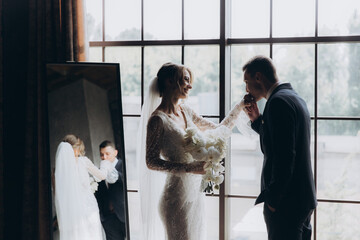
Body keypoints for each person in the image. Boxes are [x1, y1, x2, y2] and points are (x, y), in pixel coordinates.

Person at [138, 62, 250, 240]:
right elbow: (151, 162)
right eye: (185, 80)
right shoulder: (157, 121)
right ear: (169, 81)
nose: (190, 85)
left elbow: (220, 129)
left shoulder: (186, 111)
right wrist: (189, 168)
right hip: (174, 199)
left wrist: (240, 106)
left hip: (195, 195)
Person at [242, 55, 317, 240]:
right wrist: (258, 121)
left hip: (286, 203)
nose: (246, 89)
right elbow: (282, 141)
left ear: (258, 77)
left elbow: (285, 157)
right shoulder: (293, 97)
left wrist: (273, 201)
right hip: (303, 198)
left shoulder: (278, 103)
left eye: (247, 81)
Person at [54, 134, 118, 240]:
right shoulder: (83, 161)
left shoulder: (61, 170)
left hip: (72, 209)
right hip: (88, 207)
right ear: (76, 148)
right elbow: (101, 175)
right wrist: (105, 164)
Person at [95, 140, 126, 240]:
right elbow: (99, 195)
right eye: (102, 155)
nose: (104, 158)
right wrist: (102, 217)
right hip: (108, 219)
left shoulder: (124, 166)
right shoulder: (99, 170)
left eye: (107, 154)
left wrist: (118, 176)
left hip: (125, 215)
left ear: (115, 153)